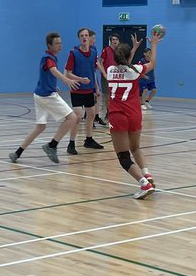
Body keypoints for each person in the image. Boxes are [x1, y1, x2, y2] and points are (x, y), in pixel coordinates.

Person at [9, 32, 90, 164]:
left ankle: (17, 153)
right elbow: (53, 71)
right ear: (49, 45)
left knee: (40, 127)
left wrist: (53, 85)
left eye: (60, 43)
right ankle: (52, 146)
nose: (60, 45)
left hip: (39, 95)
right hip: (46, 96)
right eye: (57, 43)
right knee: (72, 118)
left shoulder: (51, 57)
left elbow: (46, 75)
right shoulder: (48, 58)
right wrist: (66, 80)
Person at [105, 34, 161, 198]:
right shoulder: (135, 70)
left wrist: (133, 49)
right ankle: (147, 175)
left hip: (118, 116)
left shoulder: (109, 71)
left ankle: (144, 184)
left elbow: (123, 63)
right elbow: (152, 63)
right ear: (129, 55)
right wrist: (154, 44)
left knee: (123, 157)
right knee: (135, 148)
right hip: (134, 115)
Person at [64, 27, 105, 154]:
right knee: (77, 116)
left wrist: (96, 88)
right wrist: (81, 79)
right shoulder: (74, 53)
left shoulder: (93, 52)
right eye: (82, 36)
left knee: (91, 115)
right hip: (77, 90)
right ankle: (71, 143)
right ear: (79, 38)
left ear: (89, 37)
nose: (84, 37)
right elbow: (67, 73)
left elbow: (93, 72)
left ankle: (89, 140)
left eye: (86, 35)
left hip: (89, 90)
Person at [96, 32, 119, 128]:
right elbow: (100, 62)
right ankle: (108, 112)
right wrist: (104, 73)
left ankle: (115, 112)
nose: (115, 41)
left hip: (117, 76)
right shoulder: (106, 50)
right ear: (110, 41)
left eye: (116, 40)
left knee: (116, 95)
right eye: (113, 40)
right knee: (107, 94)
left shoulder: (120, 51)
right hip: (107, 76)